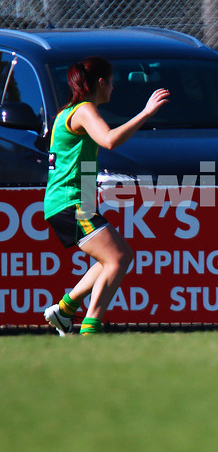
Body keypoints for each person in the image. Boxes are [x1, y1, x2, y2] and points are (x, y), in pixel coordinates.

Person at [43, 56, 170, 335]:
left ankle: (64, 311)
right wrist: (146, 113)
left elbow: (78, 159)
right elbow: (109, 140)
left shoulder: (67, 112)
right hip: (71, 201)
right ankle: (90, 328)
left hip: (75, 199)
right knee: (119, 257)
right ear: (101, 83)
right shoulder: (85, 108)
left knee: (112, 257)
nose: (113, 88)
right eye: (111, 83)